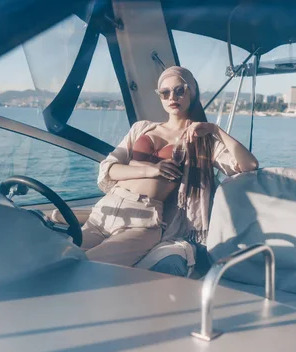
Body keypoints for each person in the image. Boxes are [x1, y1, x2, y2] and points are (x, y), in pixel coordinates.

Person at [80, 66, 258, 267]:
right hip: (107, 208)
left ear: (192, 92)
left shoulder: (202, 140)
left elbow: (248, 165)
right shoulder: (141, 128)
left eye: (180, 90)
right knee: (60, 258)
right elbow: (109, 168)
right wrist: (153, 170)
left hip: (143, 219)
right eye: (165, 93)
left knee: (86, 264)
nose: (172, 97)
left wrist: (215, 130)